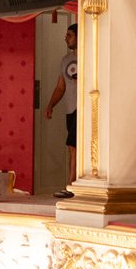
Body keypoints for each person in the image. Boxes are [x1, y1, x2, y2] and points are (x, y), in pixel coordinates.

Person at [41, 22, 78, 199]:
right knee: (72, 147)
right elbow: (60, 87)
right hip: (70, 109)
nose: (66, 38)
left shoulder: (91, 57)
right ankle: (73, 185)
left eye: (69, 35)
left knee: (73, 146)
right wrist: (50, 106)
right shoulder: (65, 60)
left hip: (85, 109)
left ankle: (71, 185)